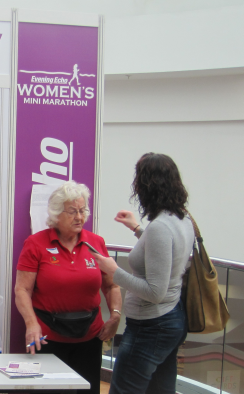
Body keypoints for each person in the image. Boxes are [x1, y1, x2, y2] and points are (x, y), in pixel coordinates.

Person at [91, 153, 194, 394]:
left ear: (147, 186)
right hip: (171, 320)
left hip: (151, 326)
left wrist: (114, 271)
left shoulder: (159, 227)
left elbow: (155, 292)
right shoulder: (182, 218)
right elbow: (163, 254)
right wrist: (138, 229)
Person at [15, 181, 122, 394]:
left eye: (83, 210)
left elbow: (112, 285)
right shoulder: (36, 243)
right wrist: (31, 324)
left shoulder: (96, 243)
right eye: (72, 211)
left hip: (90, 337)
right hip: (48, 337)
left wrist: (116, 315)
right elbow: (22, 290)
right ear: (56, 213)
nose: (80, 217)